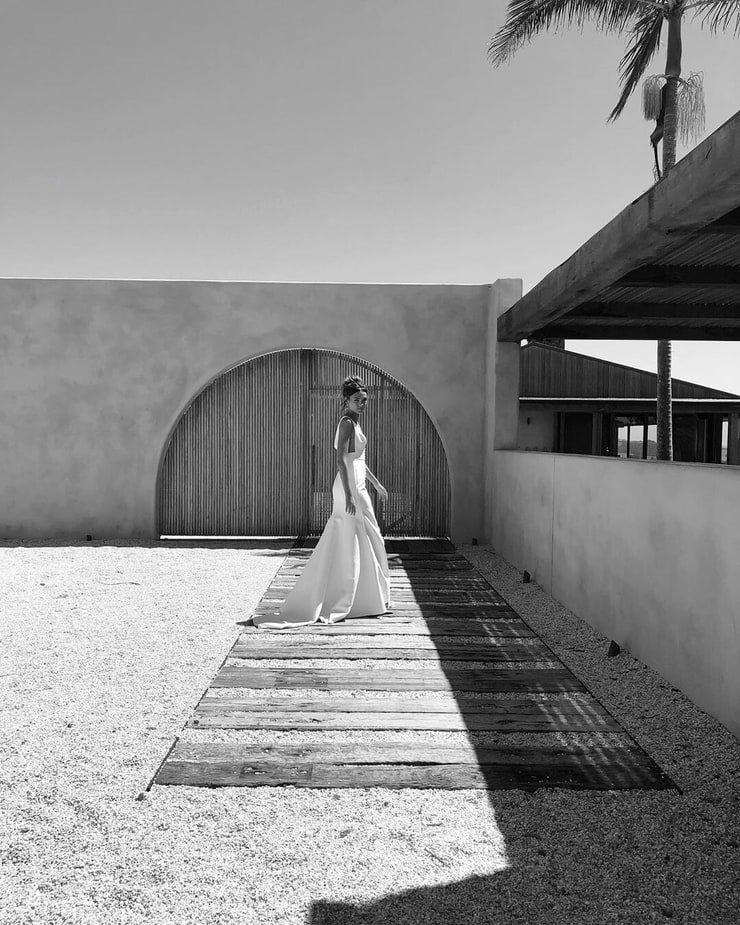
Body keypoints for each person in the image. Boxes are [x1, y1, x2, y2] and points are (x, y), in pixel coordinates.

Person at [253, 375, 391, 628]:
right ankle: (344, 597)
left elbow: (358, 459)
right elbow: (341, 460)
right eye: (357, 400)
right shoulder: (346, 423)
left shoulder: (356, 422)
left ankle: (367, 597)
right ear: (346, 400)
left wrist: (376, 483)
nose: (362, 404)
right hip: (348, 486)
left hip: (358, 483)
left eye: (364, 400)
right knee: (351, 538)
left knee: (369, 536)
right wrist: (348, 494)